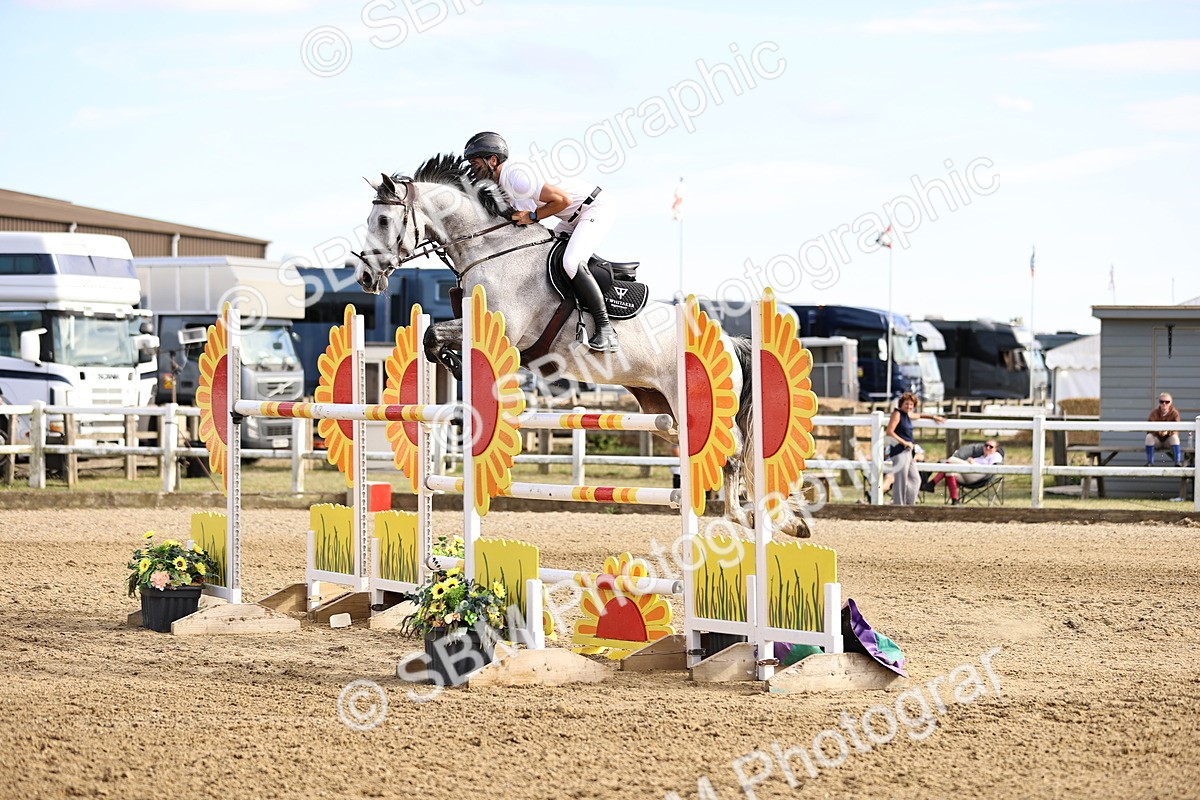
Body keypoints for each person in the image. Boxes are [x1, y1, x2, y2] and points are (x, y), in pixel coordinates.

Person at [463, 131, 618, 352]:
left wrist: (533, 217)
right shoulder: (500, 184)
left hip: (593, 208)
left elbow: (561, 200)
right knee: (545, 258)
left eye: (475, 162)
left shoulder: (516, 176)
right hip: (569, 217)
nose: (472, 168)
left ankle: (606, 329)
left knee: (571, 262)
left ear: (493, 160)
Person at [884, 392, 945, 505]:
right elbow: (889, 432)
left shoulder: (908, 415)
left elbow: (919, 415)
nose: (909, 406)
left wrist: (933, 417)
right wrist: (904, 442)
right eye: (907, 404)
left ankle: (908, 505)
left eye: (911, 405)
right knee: (901, 481)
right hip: (899, 451)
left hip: (908, 452)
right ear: (901, 404)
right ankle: (898, 506)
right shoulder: (897, 414)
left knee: (915, 480)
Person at [923, 440, 1003, 505]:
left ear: (996, 449)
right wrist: (969, 461)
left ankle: (932, 483)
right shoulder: (981, 457)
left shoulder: (996, 456)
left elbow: (991, 468)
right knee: (950, 471)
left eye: (991, 447)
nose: (988, 448)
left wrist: (973, 463)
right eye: (986, 445)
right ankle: (955, 500)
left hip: (980, 475)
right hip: (968, 475)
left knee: (951, 460)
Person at [1147, 392, 1183, 466]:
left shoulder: (1174, 413)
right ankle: (1150, 462)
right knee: (1149, 437)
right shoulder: (1154, 413)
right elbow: (1149, 428)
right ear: (1159, 402)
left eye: (1167, 402)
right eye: (1162, 401)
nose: (1164, 404)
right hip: (1157, 440)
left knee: (1175, 438)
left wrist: (1167, 432)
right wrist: (1158, 432)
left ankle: (1177, 462)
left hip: (1168, 441)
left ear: (1170, 403)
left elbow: (1176, 428)